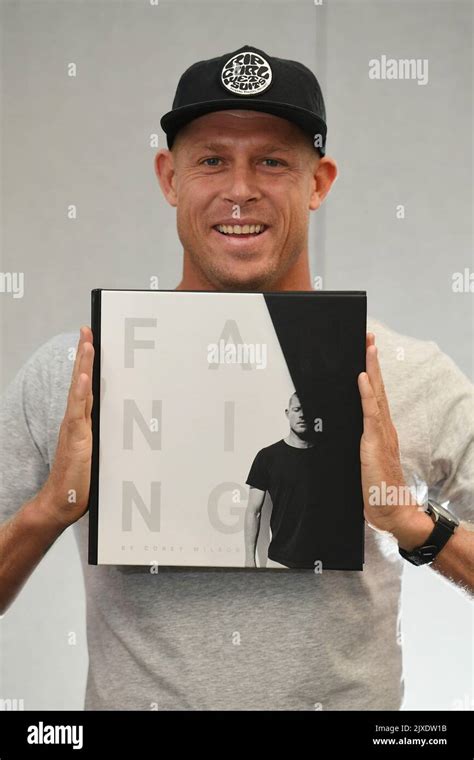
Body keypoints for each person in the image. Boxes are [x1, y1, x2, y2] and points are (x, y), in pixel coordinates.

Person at [0, 44, 473, 711]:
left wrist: (412, 521)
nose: (240, 188)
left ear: (319, 181)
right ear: (169, 177)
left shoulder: (404, 372)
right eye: (212, 159)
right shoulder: (77, 375)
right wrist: (50, 508)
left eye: (273, 161)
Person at [244, 392, 326, 570]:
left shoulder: (328, 458)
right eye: (297, 409)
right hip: (281, 561)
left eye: (307, 410)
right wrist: (249, 560)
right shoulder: (267, 457)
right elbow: (253, 511)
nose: (302, 415)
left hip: (324, 564)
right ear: (287, 413)